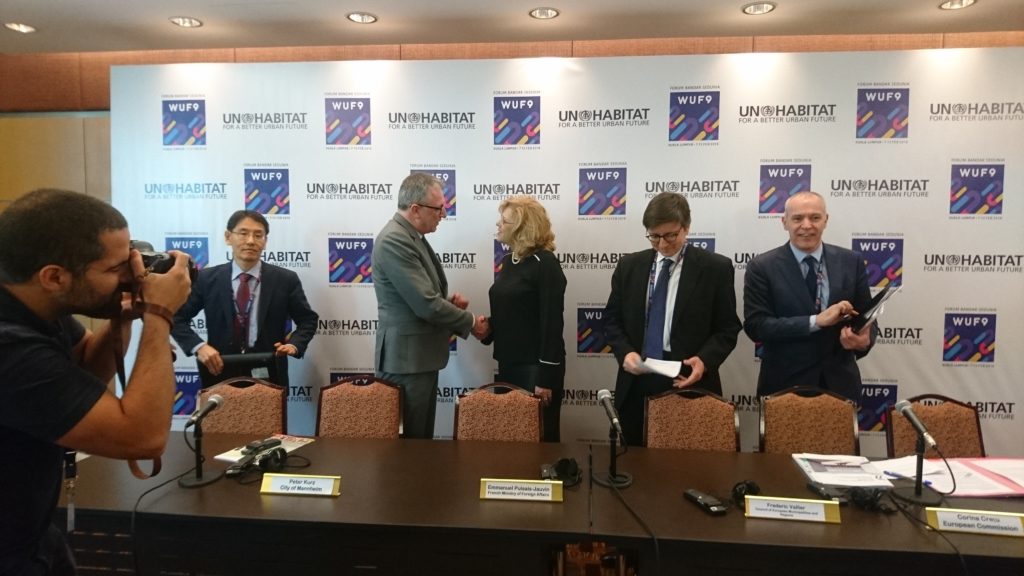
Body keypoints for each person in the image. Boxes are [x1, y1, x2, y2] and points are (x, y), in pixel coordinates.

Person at [0, 188, 192, 575]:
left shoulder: (34, 304)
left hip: (32, 533)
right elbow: (141, 438)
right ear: (54, 277)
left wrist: (122, 314)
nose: (131, 275)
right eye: (116, 268)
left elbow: (84, 365)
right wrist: (159, 315)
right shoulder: (10, 348)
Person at [603, 192, 741, 447]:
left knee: (689, 461)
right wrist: (625, 353)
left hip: (688, 379)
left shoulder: (715, 268)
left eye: (670, 236)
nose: (663, 244)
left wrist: (705, 360)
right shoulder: (629, 266)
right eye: (654, 236)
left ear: (686, 228)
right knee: (634, 463)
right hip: (637, 382)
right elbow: (611, 320)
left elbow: (728, 327)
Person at [372, 173, 486, 439]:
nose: (443, 214)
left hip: (417, 359)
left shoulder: (411, 236)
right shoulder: (395, 240)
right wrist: (470, 322)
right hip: (407, 362)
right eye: (438, 208)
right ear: (415, 209)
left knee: (420, 442)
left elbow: (421, 298)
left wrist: (448, 305)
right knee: (411, 445)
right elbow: (425, 304)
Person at [743, 190, 876, 402]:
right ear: (784, 222)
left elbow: (867, 316)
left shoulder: (851, 261)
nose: (807, 225)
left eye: (815, 217)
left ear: (826, 220)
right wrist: (815, 321)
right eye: (797, 218)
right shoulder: (762, 267)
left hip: (840, 386)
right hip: (784, 387)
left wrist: (864, 340)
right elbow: (756, 326)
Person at [171, 210, 319, 388]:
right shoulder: (207, 279)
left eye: (258, 235)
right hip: (219, 371)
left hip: (269, 373)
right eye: (243, 233)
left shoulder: (285, 279)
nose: (250, 241)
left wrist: (294, 345)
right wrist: (199, 346)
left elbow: (308, 320)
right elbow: (176, 317)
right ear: (228, 237)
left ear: (265, 241)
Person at [477, 196, 567, 442]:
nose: (498, 224)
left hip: (535, 369)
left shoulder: (545, 264)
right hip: (509, 364)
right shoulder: (510, 261)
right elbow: (517, 311)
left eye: (504, 221)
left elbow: (551, 323)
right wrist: (489, 328)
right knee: (511, 437)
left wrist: (545, 378)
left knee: (537, 440)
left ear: (522, 227)